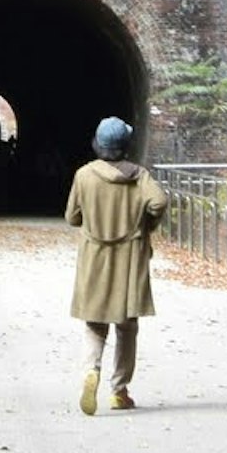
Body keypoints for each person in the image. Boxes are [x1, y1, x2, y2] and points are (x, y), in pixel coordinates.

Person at [65, 115, 166, 414]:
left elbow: (72, 217)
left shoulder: (84, 175)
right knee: (126, 327)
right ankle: (119, 390)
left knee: (95, 324)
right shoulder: (139, 176)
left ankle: (90, 371)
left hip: (95, 257)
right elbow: (159, 201)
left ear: (98, 145)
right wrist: (146, 224)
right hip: (130, 258)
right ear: (126, 145)